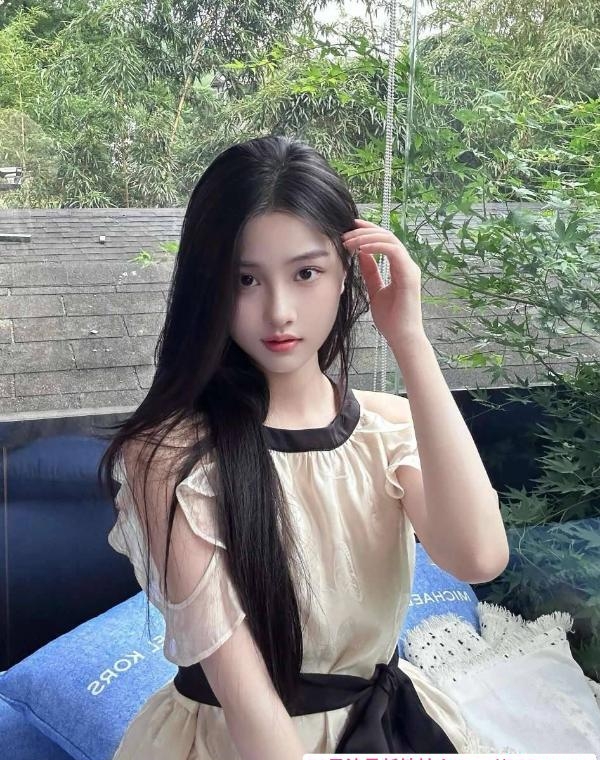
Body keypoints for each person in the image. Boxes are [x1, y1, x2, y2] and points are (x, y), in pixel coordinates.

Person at [100, 135, 509, 759]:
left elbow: (479, 557)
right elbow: (250, 710)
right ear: (210, 286)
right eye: (245, 279)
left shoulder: (387, 428)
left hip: (386, 728)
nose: (279, 312)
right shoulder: (169, 456)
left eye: (306, 273)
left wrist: (409, 339)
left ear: (346, 274)